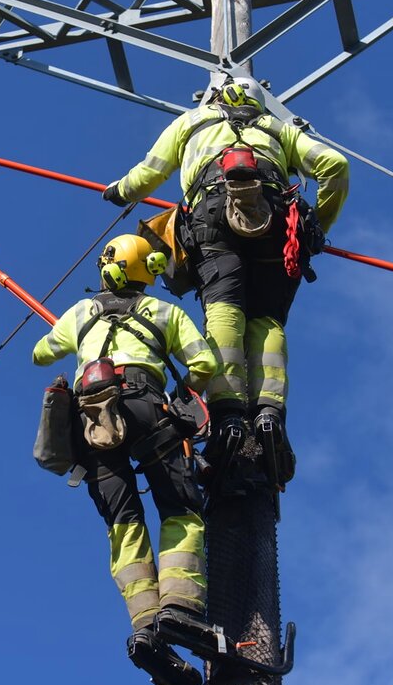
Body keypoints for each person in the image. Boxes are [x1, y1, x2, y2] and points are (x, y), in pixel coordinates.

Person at [102, 76, 349, 484]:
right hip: (275, 221)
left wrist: (118, 192)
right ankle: (269, 412)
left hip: (212, 216)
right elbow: (335, 166)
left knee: (225, 311)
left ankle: (230, 413)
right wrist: (316, 228)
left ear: (216, 97)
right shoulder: (277, 129)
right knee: (267, 320)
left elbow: (149, 173)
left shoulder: (194, 122)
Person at [32, 233, 218, 685]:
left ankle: (147, 623)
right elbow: (205, 363)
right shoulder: (164, 312)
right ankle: (180, 608)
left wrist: (76, 336)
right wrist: (181, 394)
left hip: (90, 423)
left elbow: (40, 353)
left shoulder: (80, 314)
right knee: (179, 509)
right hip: (145, 407)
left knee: (123, 523)